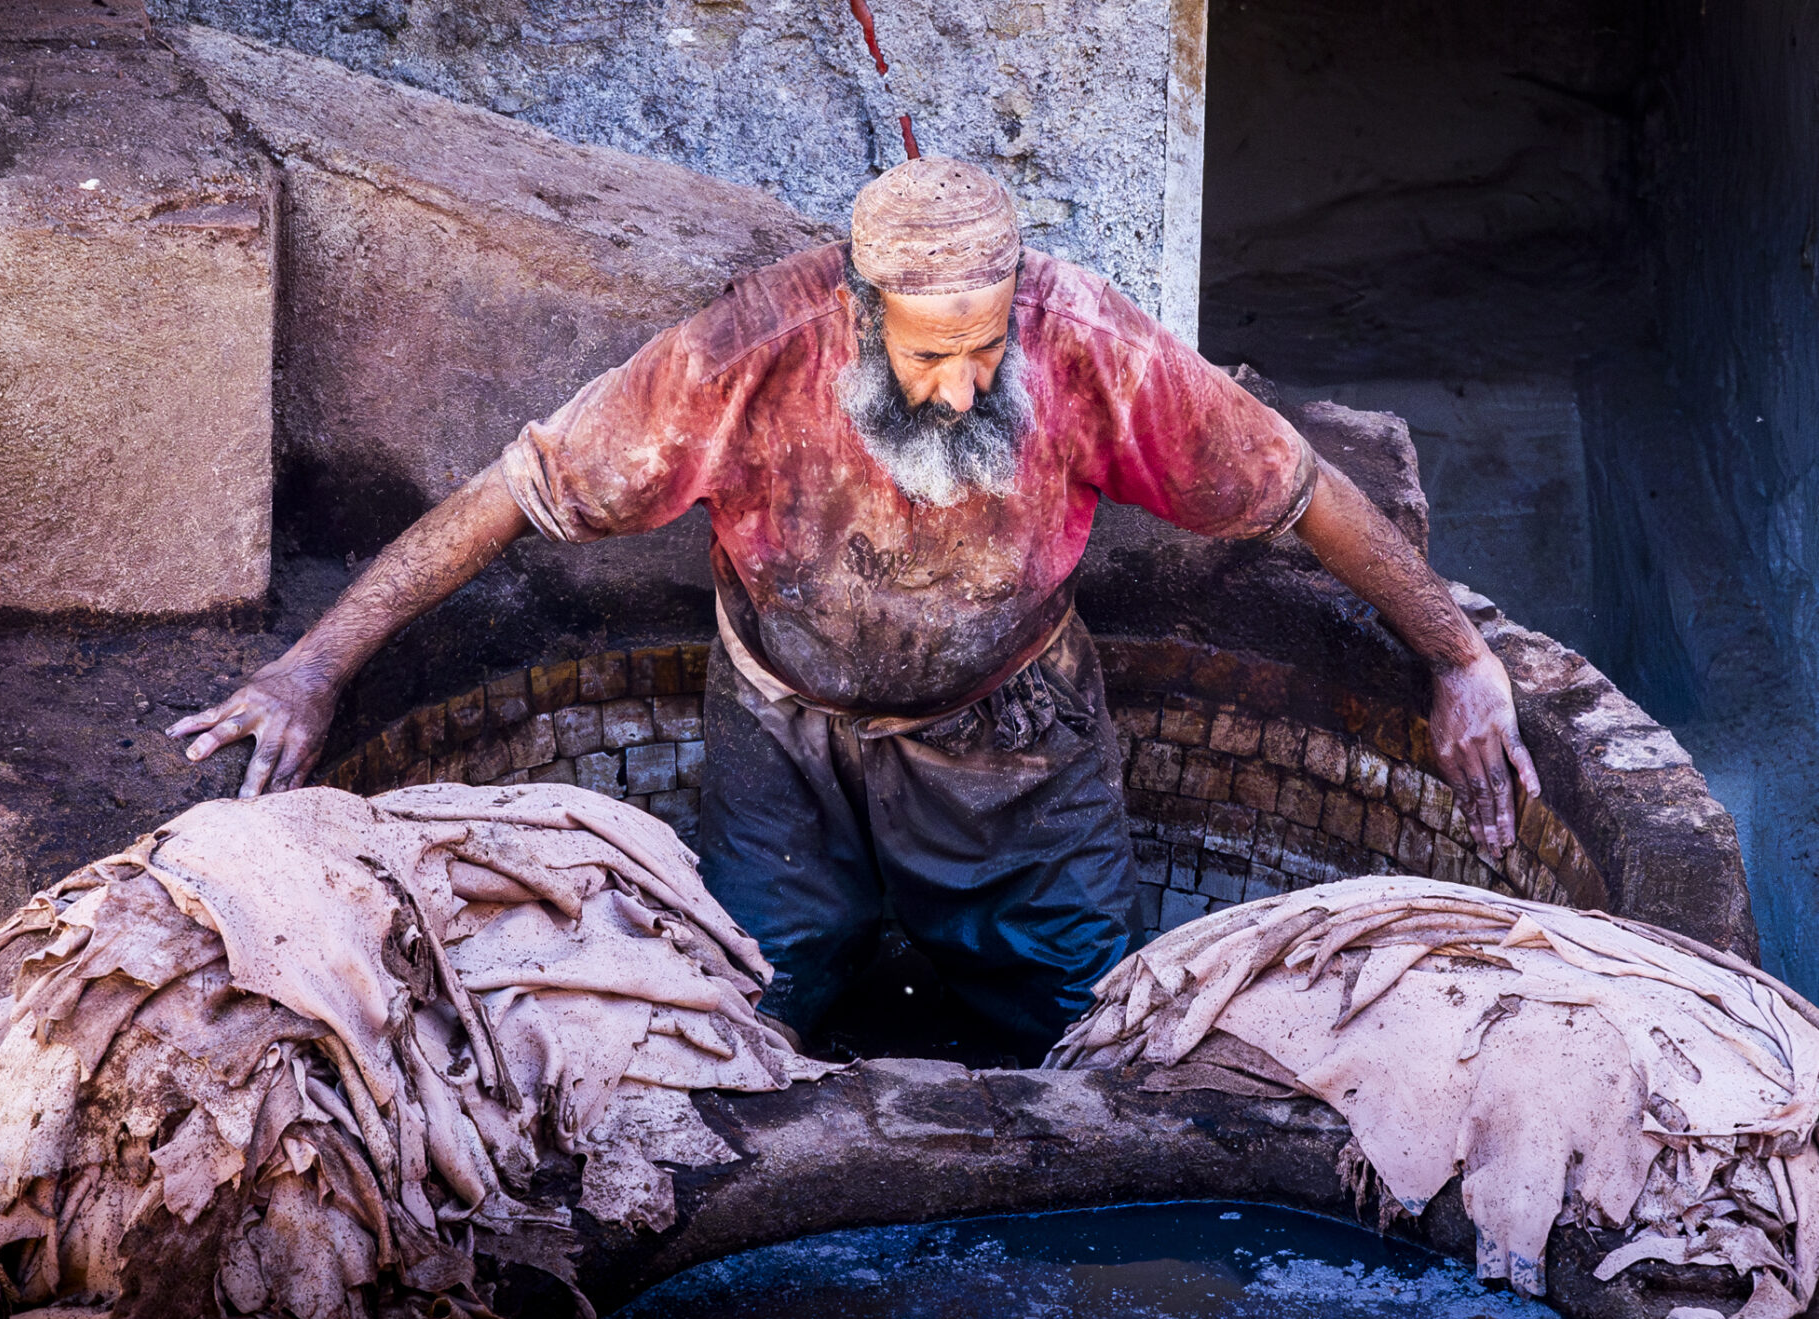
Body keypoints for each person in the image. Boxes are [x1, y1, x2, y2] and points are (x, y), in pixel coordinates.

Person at [172, 157, 1540, 1059]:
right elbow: (515, 493)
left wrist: (1459, 655)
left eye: (985, 350)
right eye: (931, 354)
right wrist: (314, 668)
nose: (963, 385)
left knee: (1088, 1023)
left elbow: (1301, 492)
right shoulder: (745, 354)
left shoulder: (1087, 345)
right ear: (859, 306)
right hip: (786, 737)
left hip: (1016, 733)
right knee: (755, 1014)